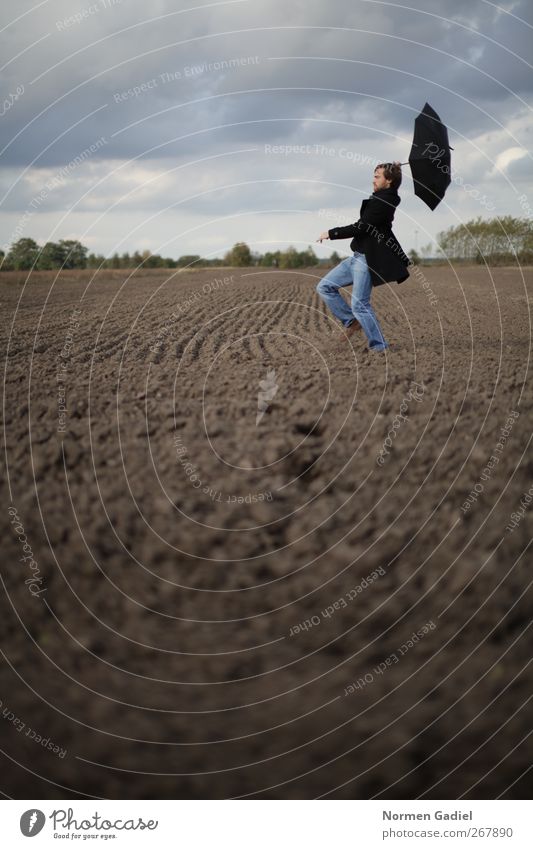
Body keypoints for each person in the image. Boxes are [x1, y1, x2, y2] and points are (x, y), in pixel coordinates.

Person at [316, 161, 410, 352]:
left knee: (360, 305)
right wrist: (394, 168)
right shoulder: (381, 197)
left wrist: (332, 233)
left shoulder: (384, 202)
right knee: (325, 286)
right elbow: (365, 223)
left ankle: (380, 347)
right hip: (357, 257)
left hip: (367, 260)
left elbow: (362, 226)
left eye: (377, 176)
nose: (373, 180)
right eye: (374, 175)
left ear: (389, 181)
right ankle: (352, 322)